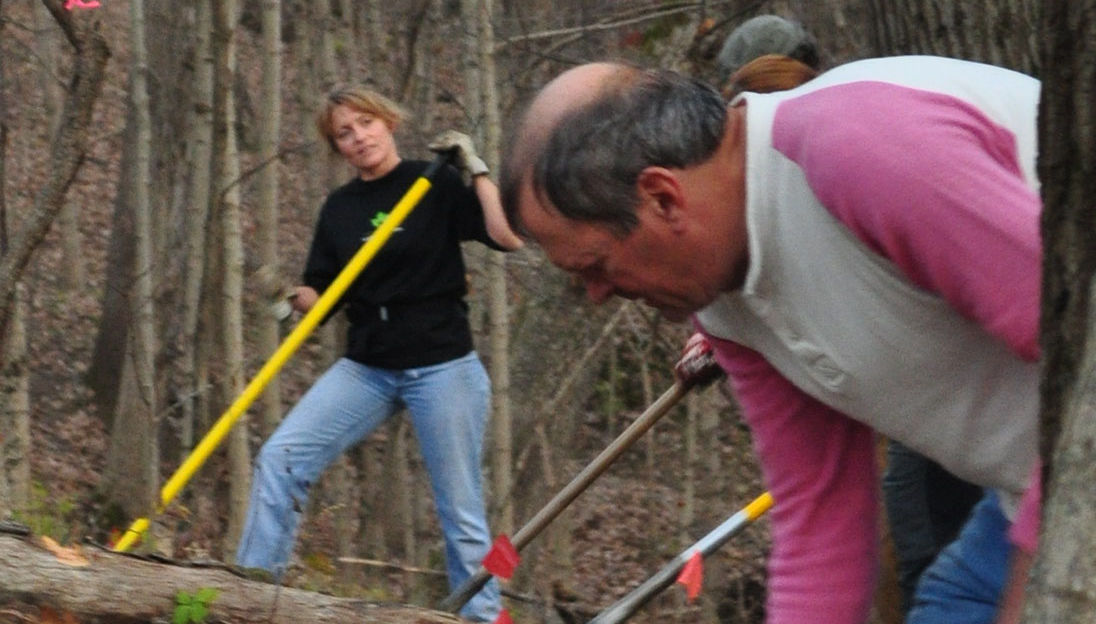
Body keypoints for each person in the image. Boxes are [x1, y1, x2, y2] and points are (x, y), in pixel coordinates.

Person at [500, 56, 1042, 624]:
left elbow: (1089, 380)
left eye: (597, 266)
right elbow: (820, 516)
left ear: (662, 197)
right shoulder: (724, 299)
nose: (596, 295)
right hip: (1024, 487)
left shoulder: (864, 152)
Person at [236, 83, 522, 623]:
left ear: (387, 122)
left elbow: (507, 238)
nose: (358, 137)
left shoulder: (432, 183)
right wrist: (287, 299)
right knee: (280, 458)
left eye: (364, 123)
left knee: (459, 510)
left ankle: (481, 617)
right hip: (368, 365)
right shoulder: (340, 209)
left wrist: (477, 171)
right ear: (337, 147)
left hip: (442, 363)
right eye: (344, 133)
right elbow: (322, 296)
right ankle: (251, 596)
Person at [718, 51, 987, 616]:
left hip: (974, 408)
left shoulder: (853, 162)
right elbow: (816, 511)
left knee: (931, 564)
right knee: (933, 570)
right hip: (936, 419)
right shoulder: (757, 237)